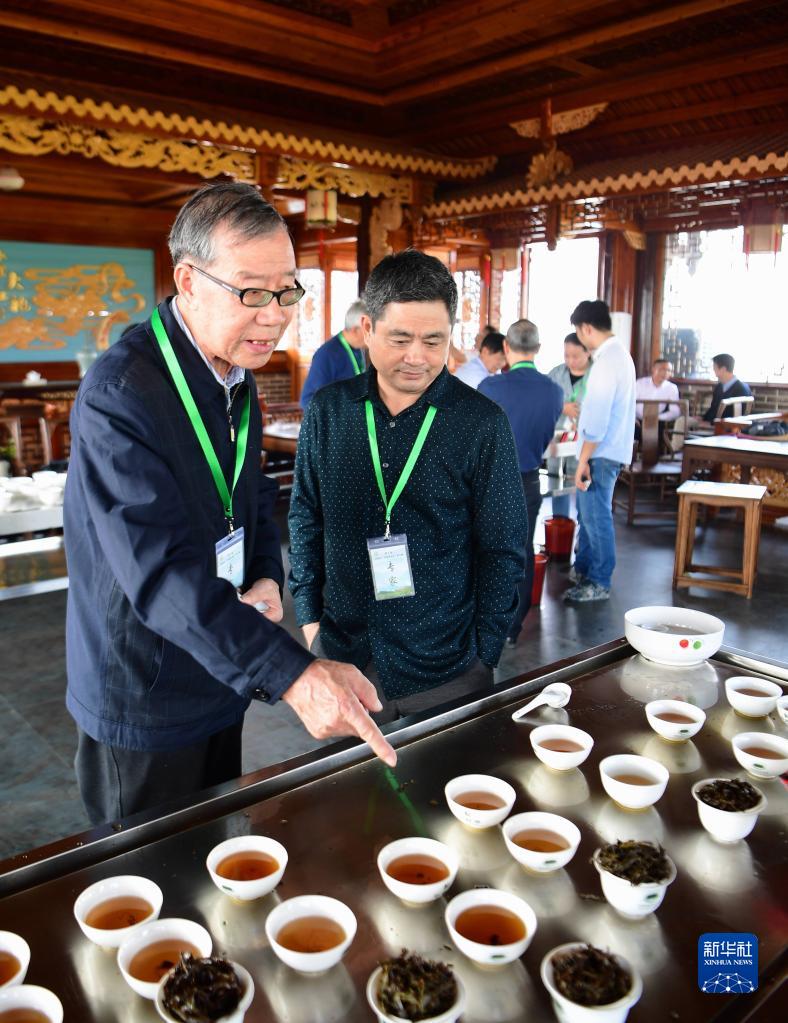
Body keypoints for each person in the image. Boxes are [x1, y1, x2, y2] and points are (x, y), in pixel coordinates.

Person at [64, 182, 395, 826]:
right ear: (188, 281)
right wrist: (296, 675)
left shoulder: (230, 371)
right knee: (149, 890)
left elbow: (250, 493)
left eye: (287, 291)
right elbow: (158, 574)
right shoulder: (122, 395)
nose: (274, 315)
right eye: (251, 292)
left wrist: (266, 573)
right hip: (146, 690)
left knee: (212, 849)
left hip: (223, 664)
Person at [288, 250, 527, 721]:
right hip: (343, 658)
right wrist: (311, 622)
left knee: (444, 790)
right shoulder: (329, 412)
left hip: (448, 667)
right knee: (348, 792)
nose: (416, 358)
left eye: (433, 341)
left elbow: (503, 546)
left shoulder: (480, 423)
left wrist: (485, 650)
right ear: (368, 331)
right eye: (400, 338)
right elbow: (304, 517)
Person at [478, 320, 563, 645]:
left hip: (491, 481)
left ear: (507, 349)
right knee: (522, 551)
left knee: (487, 550)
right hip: (529, 480)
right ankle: (513, 626)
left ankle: (486, 621)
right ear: (538, 349)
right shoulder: (554, 392)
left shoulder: (490, 387)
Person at [564, 299, 635, 604]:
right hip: (608, 449)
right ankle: (585, 570)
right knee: (589, 514)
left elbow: (597, 420)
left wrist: (583, 459)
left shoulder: (607, 361)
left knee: (596, 517)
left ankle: (598, 580)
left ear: (586, 328)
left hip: (600, 452)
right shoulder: (620, 355)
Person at [547, 333, 591, 518]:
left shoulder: (597, 375)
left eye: (575, 356)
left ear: (587, 352)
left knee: (584, 486)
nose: (570, 361)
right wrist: (562, 407)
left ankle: (584, 536)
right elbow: (542, 401)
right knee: (558, 485)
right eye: (566, 355)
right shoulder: (556, 373)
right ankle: (559, 527)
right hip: (559, 439)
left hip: (587, 440)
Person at [299, 299, 368, 411]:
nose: (373, 333)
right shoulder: (326, 354)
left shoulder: (359, 349)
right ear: (355, 330)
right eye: (368, 328)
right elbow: (307, 401)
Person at [635, 358, 681, 446]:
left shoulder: (672, 388)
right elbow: (629, 404)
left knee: (656, 432)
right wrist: (633, 418)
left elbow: (675, 412)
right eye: (662, 369)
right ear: (653, 369)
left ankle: (652, 458)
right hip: (637, 419)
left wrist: (657, 418)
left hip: (657, 420)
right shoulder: (640, 383)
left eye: (669, 370)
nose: (665, 373)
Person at [702, 353, 752, 422]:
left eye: (715, 367)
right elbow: (713, 409)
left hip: (726, 428)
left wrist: (709, 423)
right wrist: (702, 419)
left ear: (723, 369)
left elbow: (735, 417)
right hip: (714, 424)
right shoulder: (719, 387)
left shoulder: (741, 389)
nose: (713, 369)